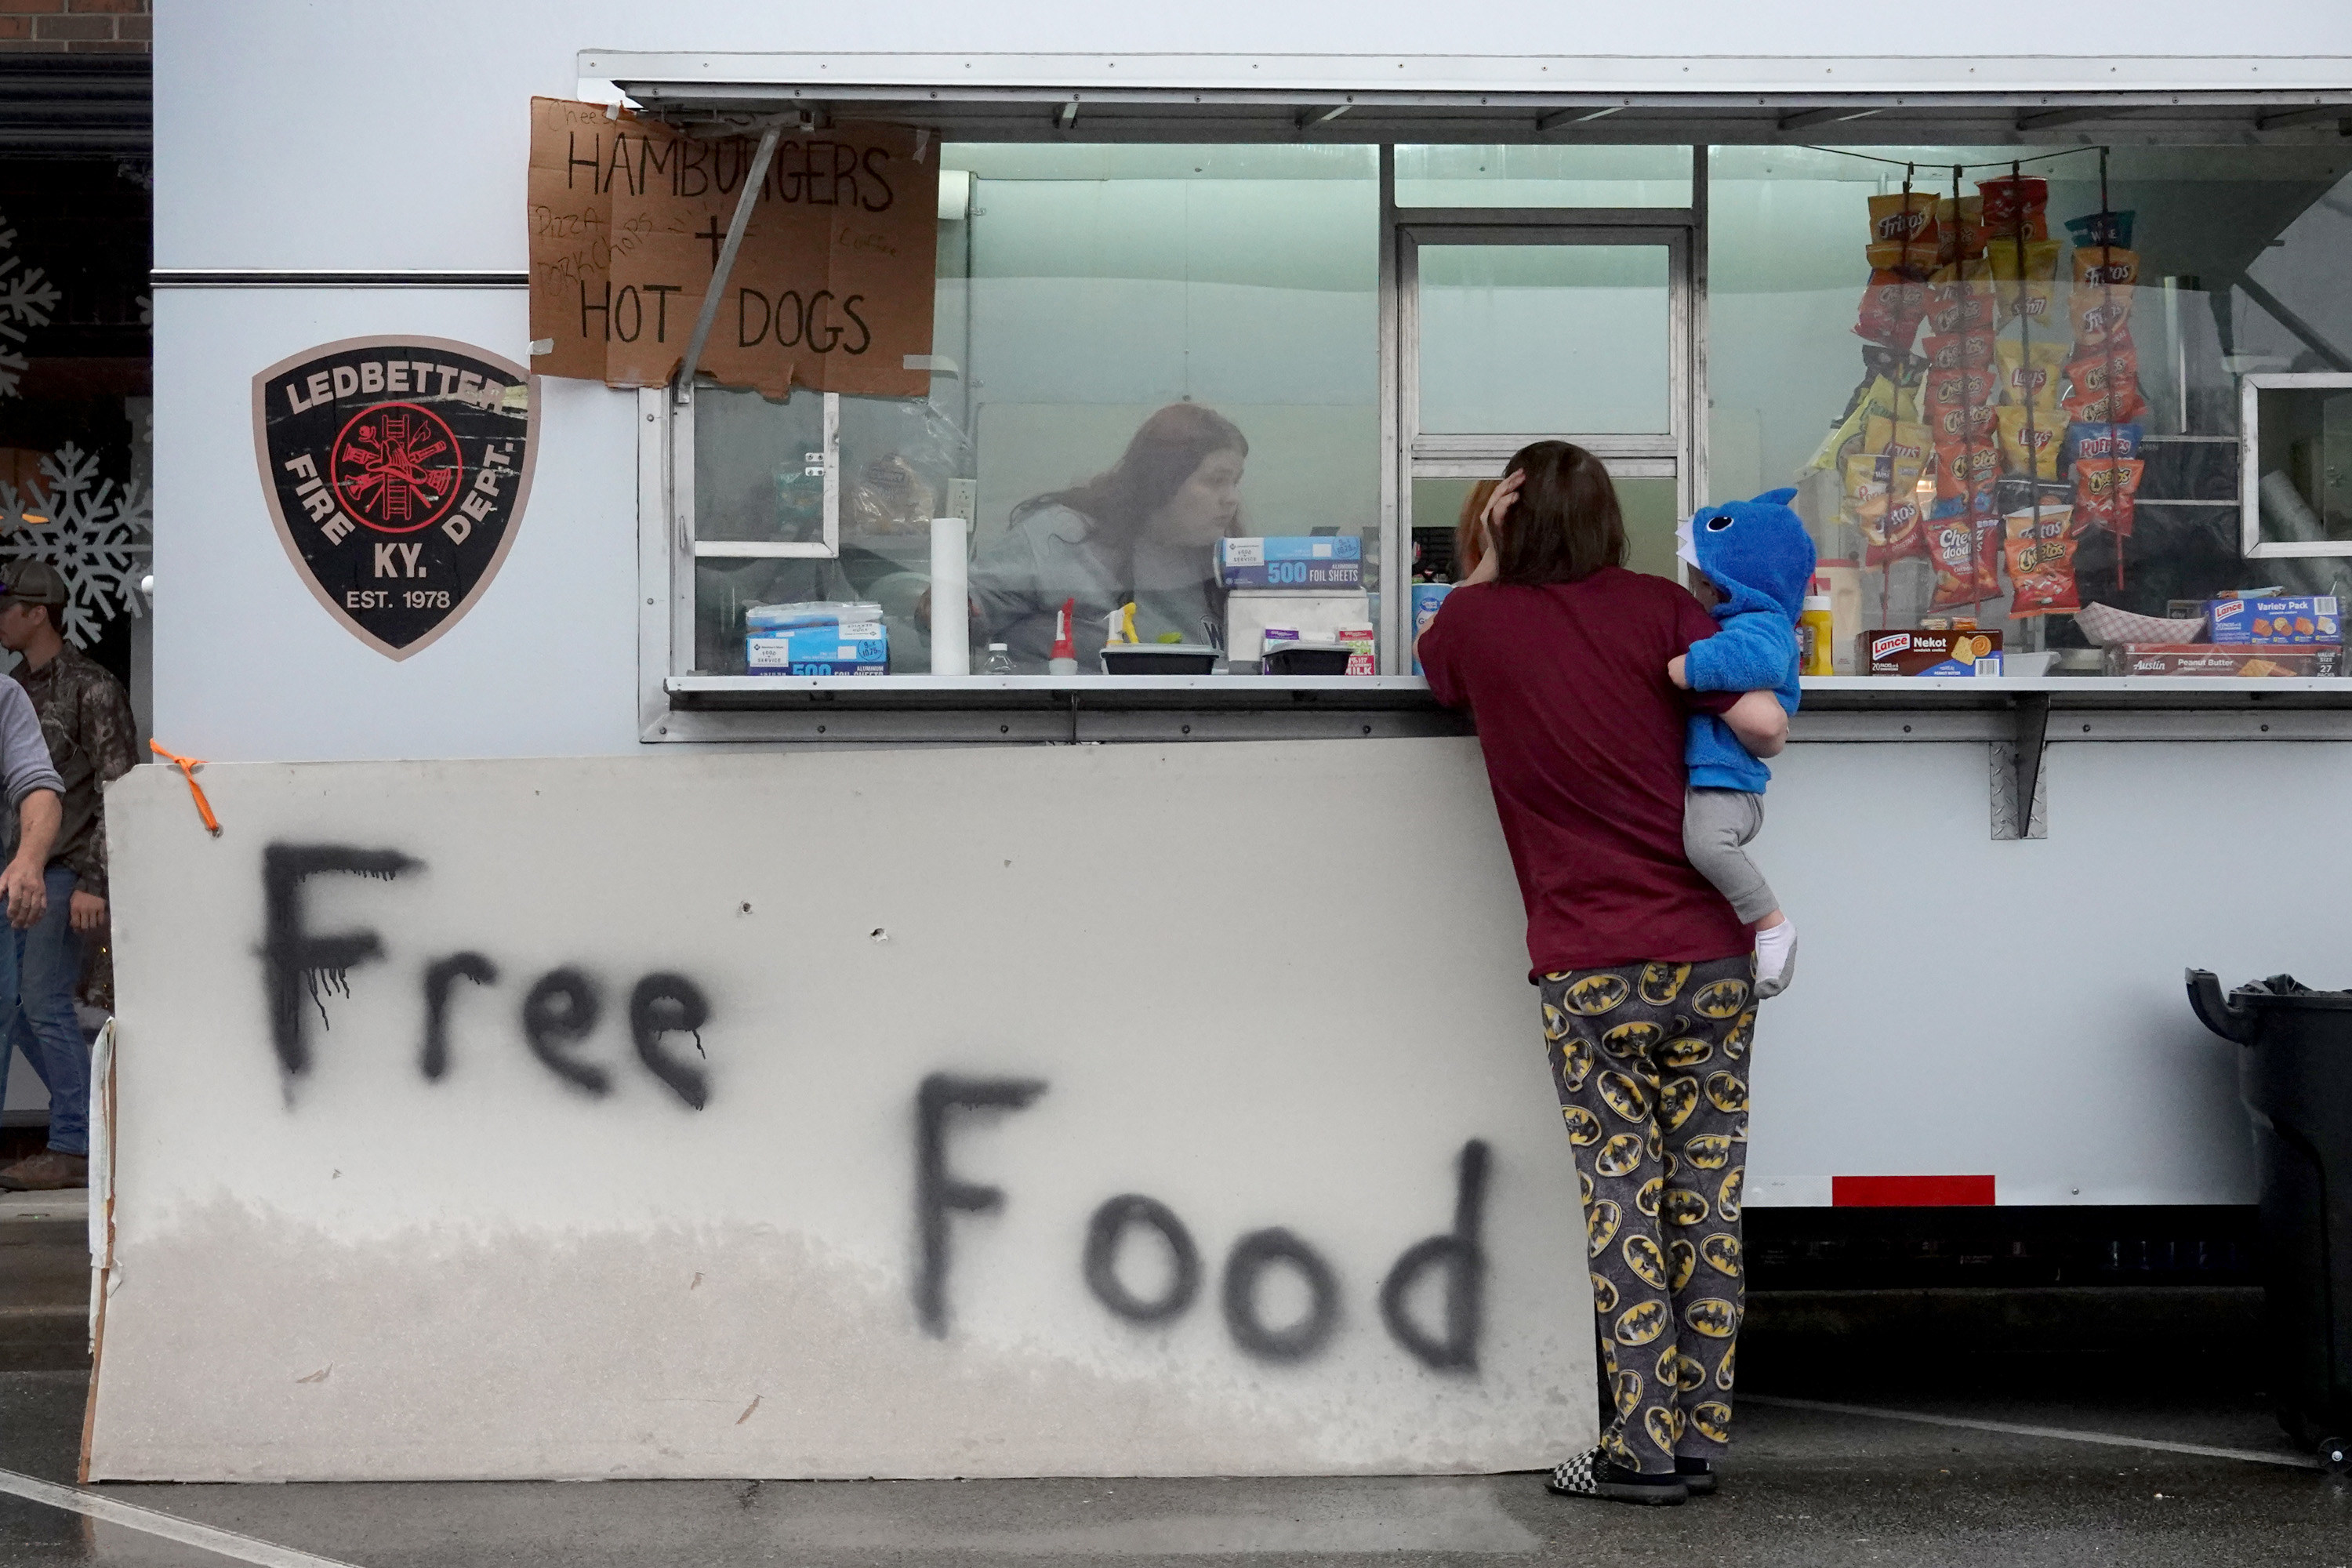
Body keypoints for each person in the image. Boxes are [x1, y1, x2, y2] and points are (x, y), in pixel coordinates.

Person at [1415, 443, 1787, 1508]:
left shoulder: (1476, 626)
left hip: (1590, 966)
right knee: (1705, 1198)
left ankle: (1639, 1451)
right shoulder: (1668, 608)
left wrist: (1482, 560)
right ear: (1615, 522)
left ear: (1501, 521)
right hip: (1713, 951)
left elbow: (1439, 670)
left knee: (1622, 1200)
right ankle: (1700, 1441)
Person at [0, 563, 136, 1192]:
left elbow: (119, 789)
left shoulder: (92, 687)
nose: (1, 619)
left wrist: (96, 881)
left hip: (66, 873)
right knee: (19, 1008)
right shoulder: (13, 688)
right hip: (19, 874)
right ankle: (91, 1121)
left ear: (38, 613)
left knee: (45, 1003)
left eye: (10, 608)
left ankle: (76, 1144)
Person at [1666, 488, 1814, 999]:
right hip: (1718, 774)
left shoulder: (1764, 625)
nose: (1698, 593)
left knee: (1706, 844)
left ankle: (1771, 924)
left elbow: (1760, 662)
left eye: (1704, 583)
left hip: (1731, 780)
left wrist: (1690, 667)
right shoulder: (1739, 622)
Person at [962, 403, 1245, 670]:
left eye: (1235, 482)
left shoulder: (1223, 567)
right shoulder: (1062, 538)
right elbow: (957, 612)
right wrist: (946, 604)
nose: (1232, 499)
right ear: (1163, 481)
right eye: (1216, 481)